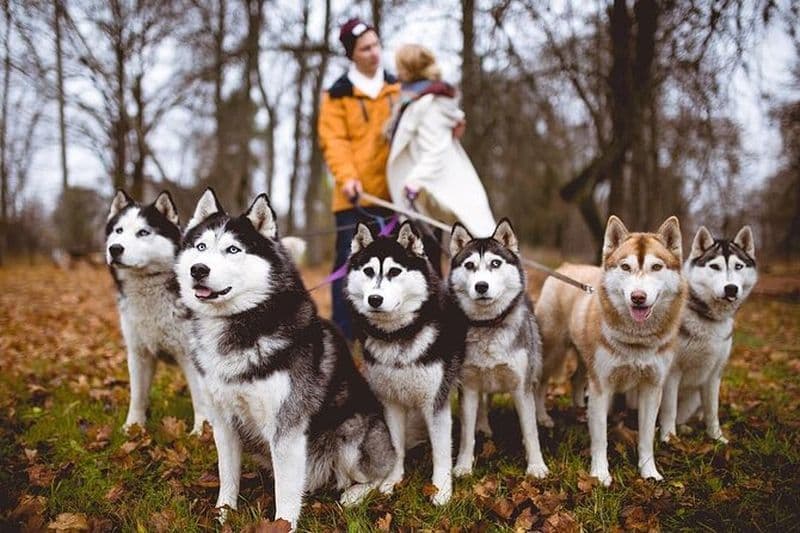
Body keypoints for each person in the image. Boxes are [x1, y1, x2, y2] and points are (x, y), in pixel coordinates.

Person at [318, 18, 400, 340]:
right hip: (353, 200)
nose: (374, 53)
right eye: (365, 48)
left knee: (392, 268)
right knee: (348, 267)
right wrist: (349, 178)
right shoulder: (336, 96)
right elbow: (334, 142)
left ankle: (386, 335)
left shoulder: (397, 88)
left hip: (393, 199)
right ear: (352, 54)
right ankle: (344, 339)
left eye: (376, 45)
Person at [386, 44, 495, 244]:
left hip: (428, 193)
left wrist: (414, 183)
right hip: (423, 198)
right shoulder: (415, 99)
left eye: (399, 66)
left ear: (409, 69)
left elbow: (436, 150)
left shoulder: (429, 105)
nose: (396, 71)